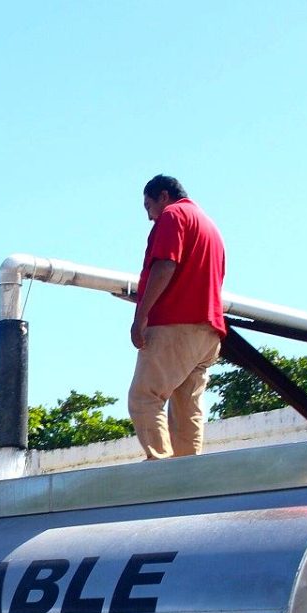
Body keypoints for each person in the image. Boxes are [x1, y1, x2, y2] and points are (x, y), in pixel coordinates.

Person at [127, 174, 227, 459]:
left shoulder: (173, 215)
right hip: (208, 332)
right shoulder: (210, 227)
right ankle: (187, 477)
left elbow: (165, 266)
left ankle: (162, 472)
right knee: (186, 407)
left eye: (148, 206)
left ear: (163, 196)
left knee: (145, 397)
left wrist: (140, 317)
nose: (149, 216)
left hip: (175, 325)